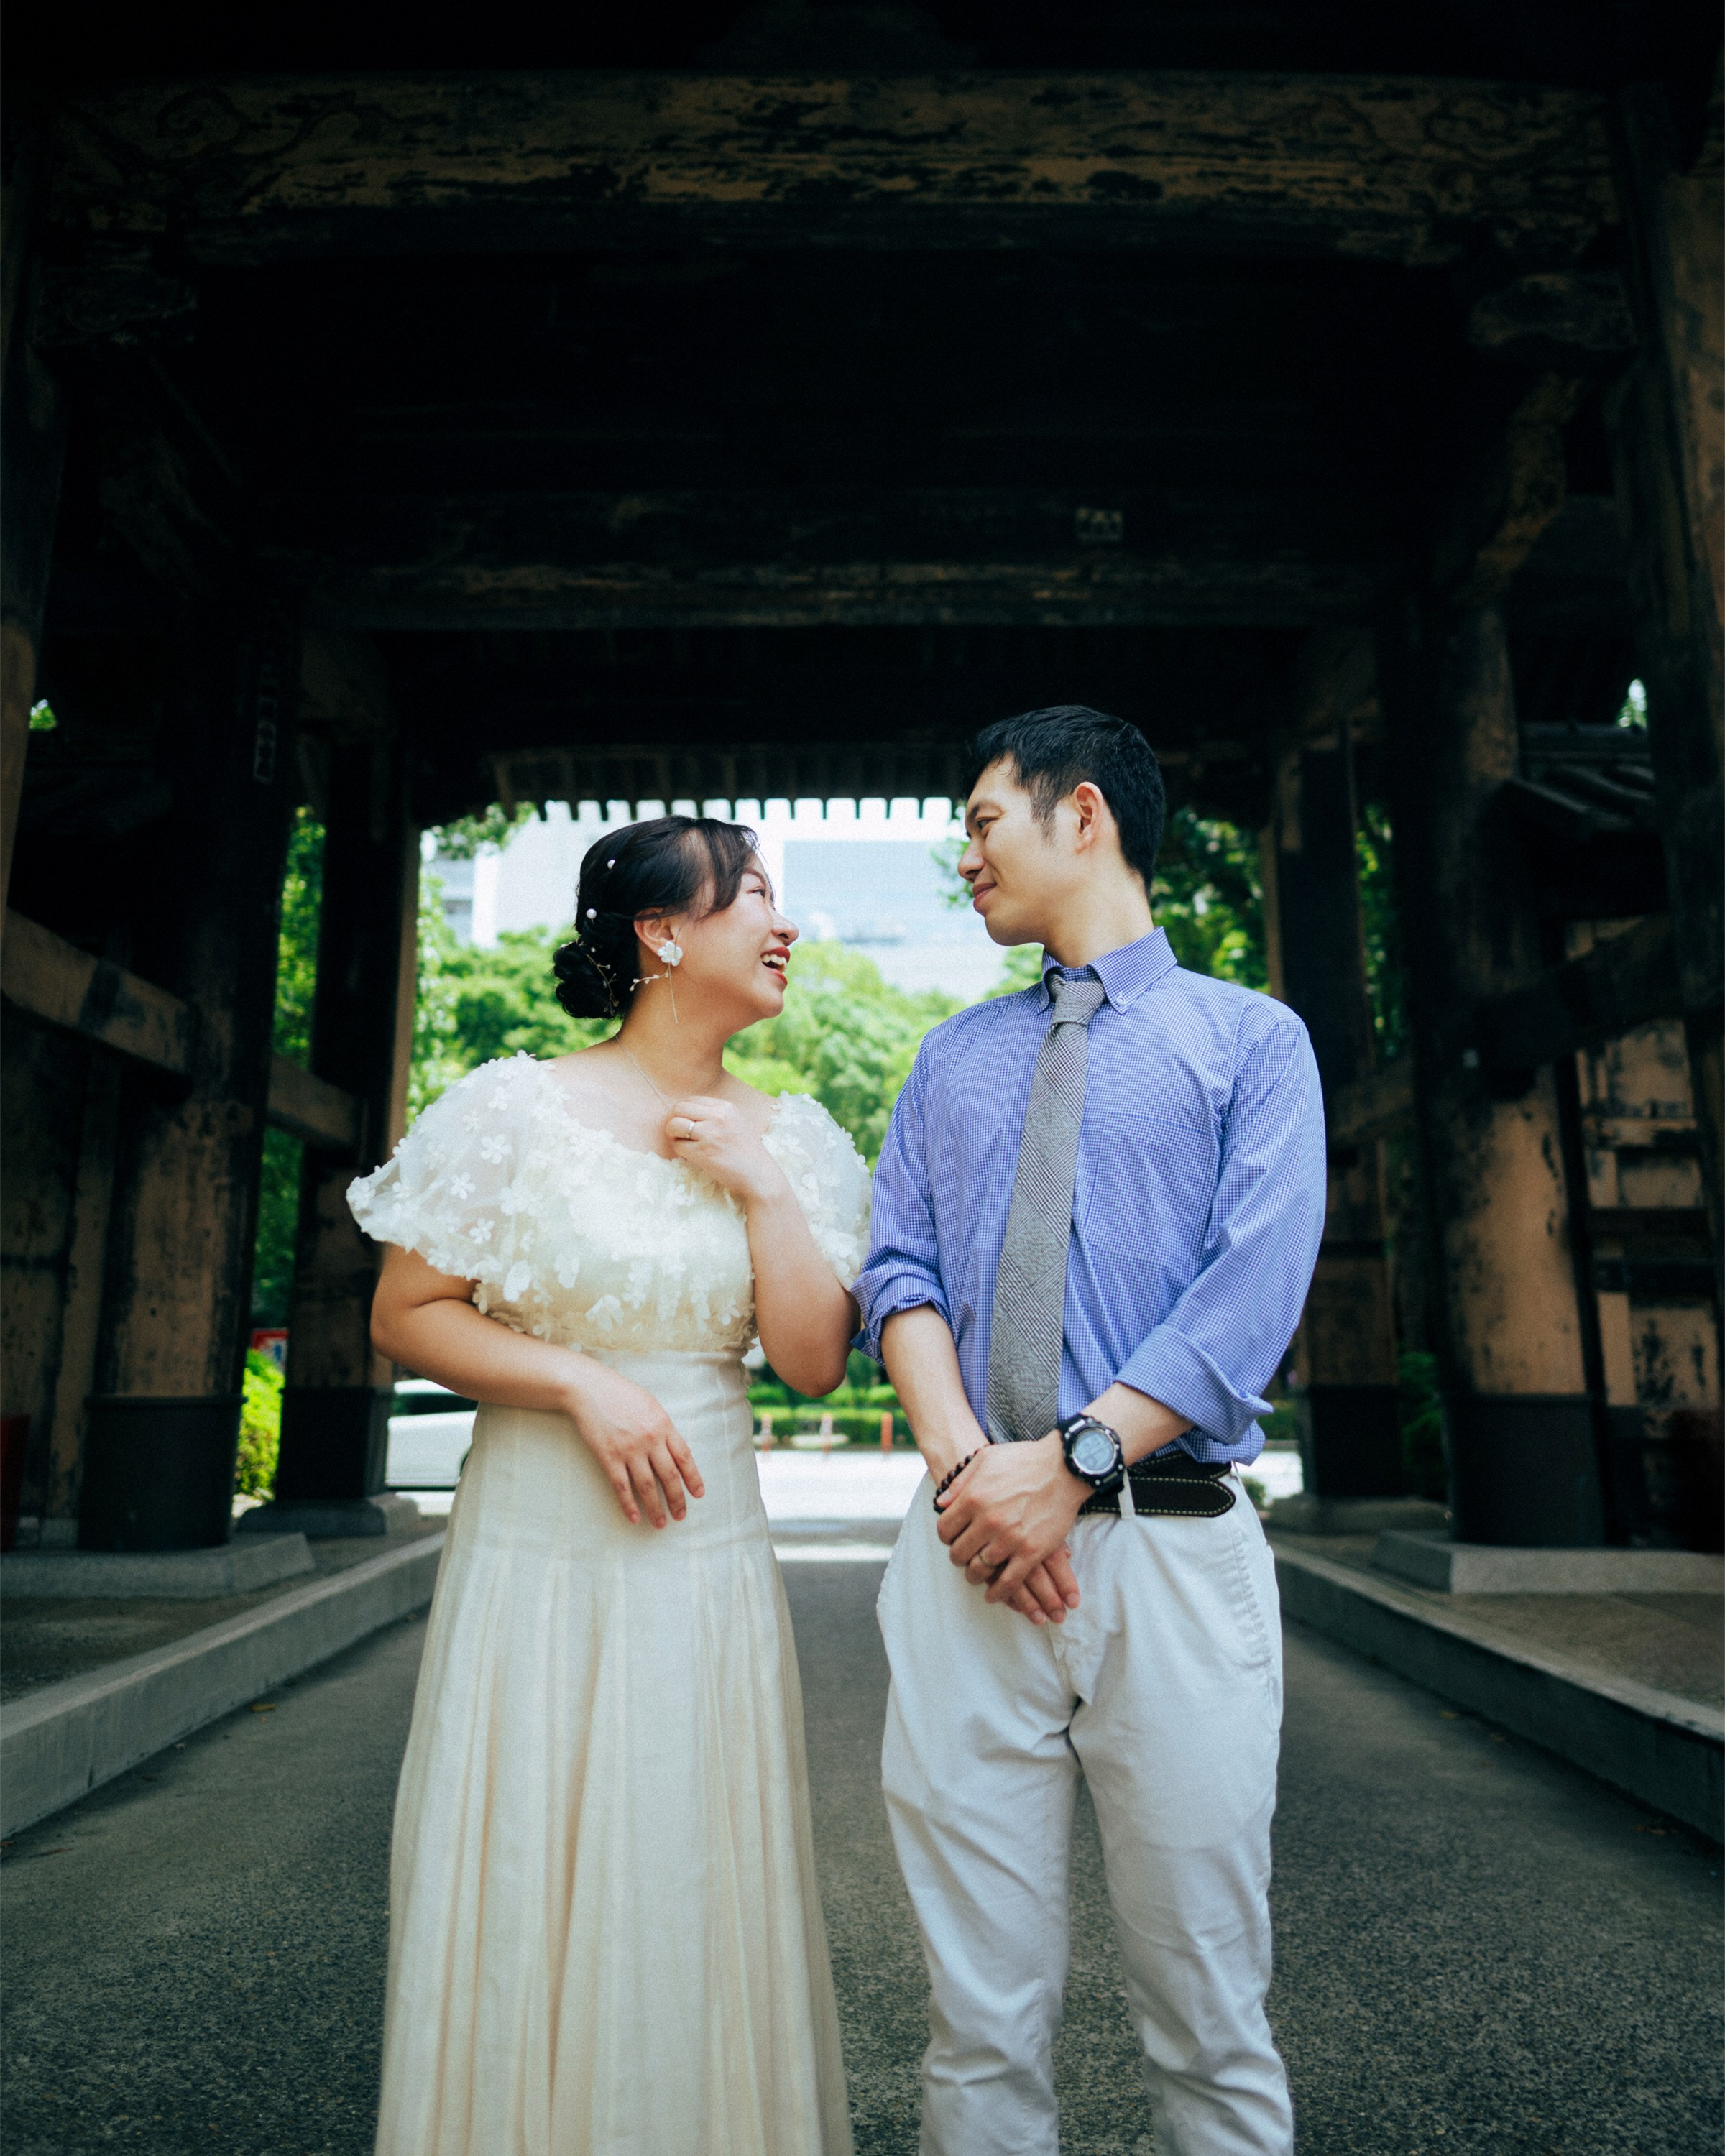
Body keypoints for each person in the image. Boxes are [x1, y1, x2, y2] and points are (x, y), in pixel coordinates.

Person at [349, 816, 865, 2156]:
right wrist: (580, 1382)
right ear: (663, 932)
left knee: (686, 1853)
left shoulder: (794, 1136)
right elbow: (406, 1314)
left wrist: (763, 1191)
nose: (785, 924)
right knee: (535, 1842)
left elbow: (814, 1362)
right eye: (755, 895)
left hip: (705, 1554)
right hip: (538, 1550)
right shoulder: (515, 1109)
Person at [856, 707, 1326, 2155]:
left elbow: (1249, 1296)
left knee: (1208, 2014)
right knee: (976, 2024)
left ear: (1084, 813)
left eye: (982, 820)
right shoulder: (948, 1059)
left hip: (1171, 1555)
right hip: (967, 1557)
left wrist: (1069, 1468)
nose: (964, 857)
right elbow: (898, 1277)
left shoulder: (1253, 1040)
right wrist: (978, 1481)